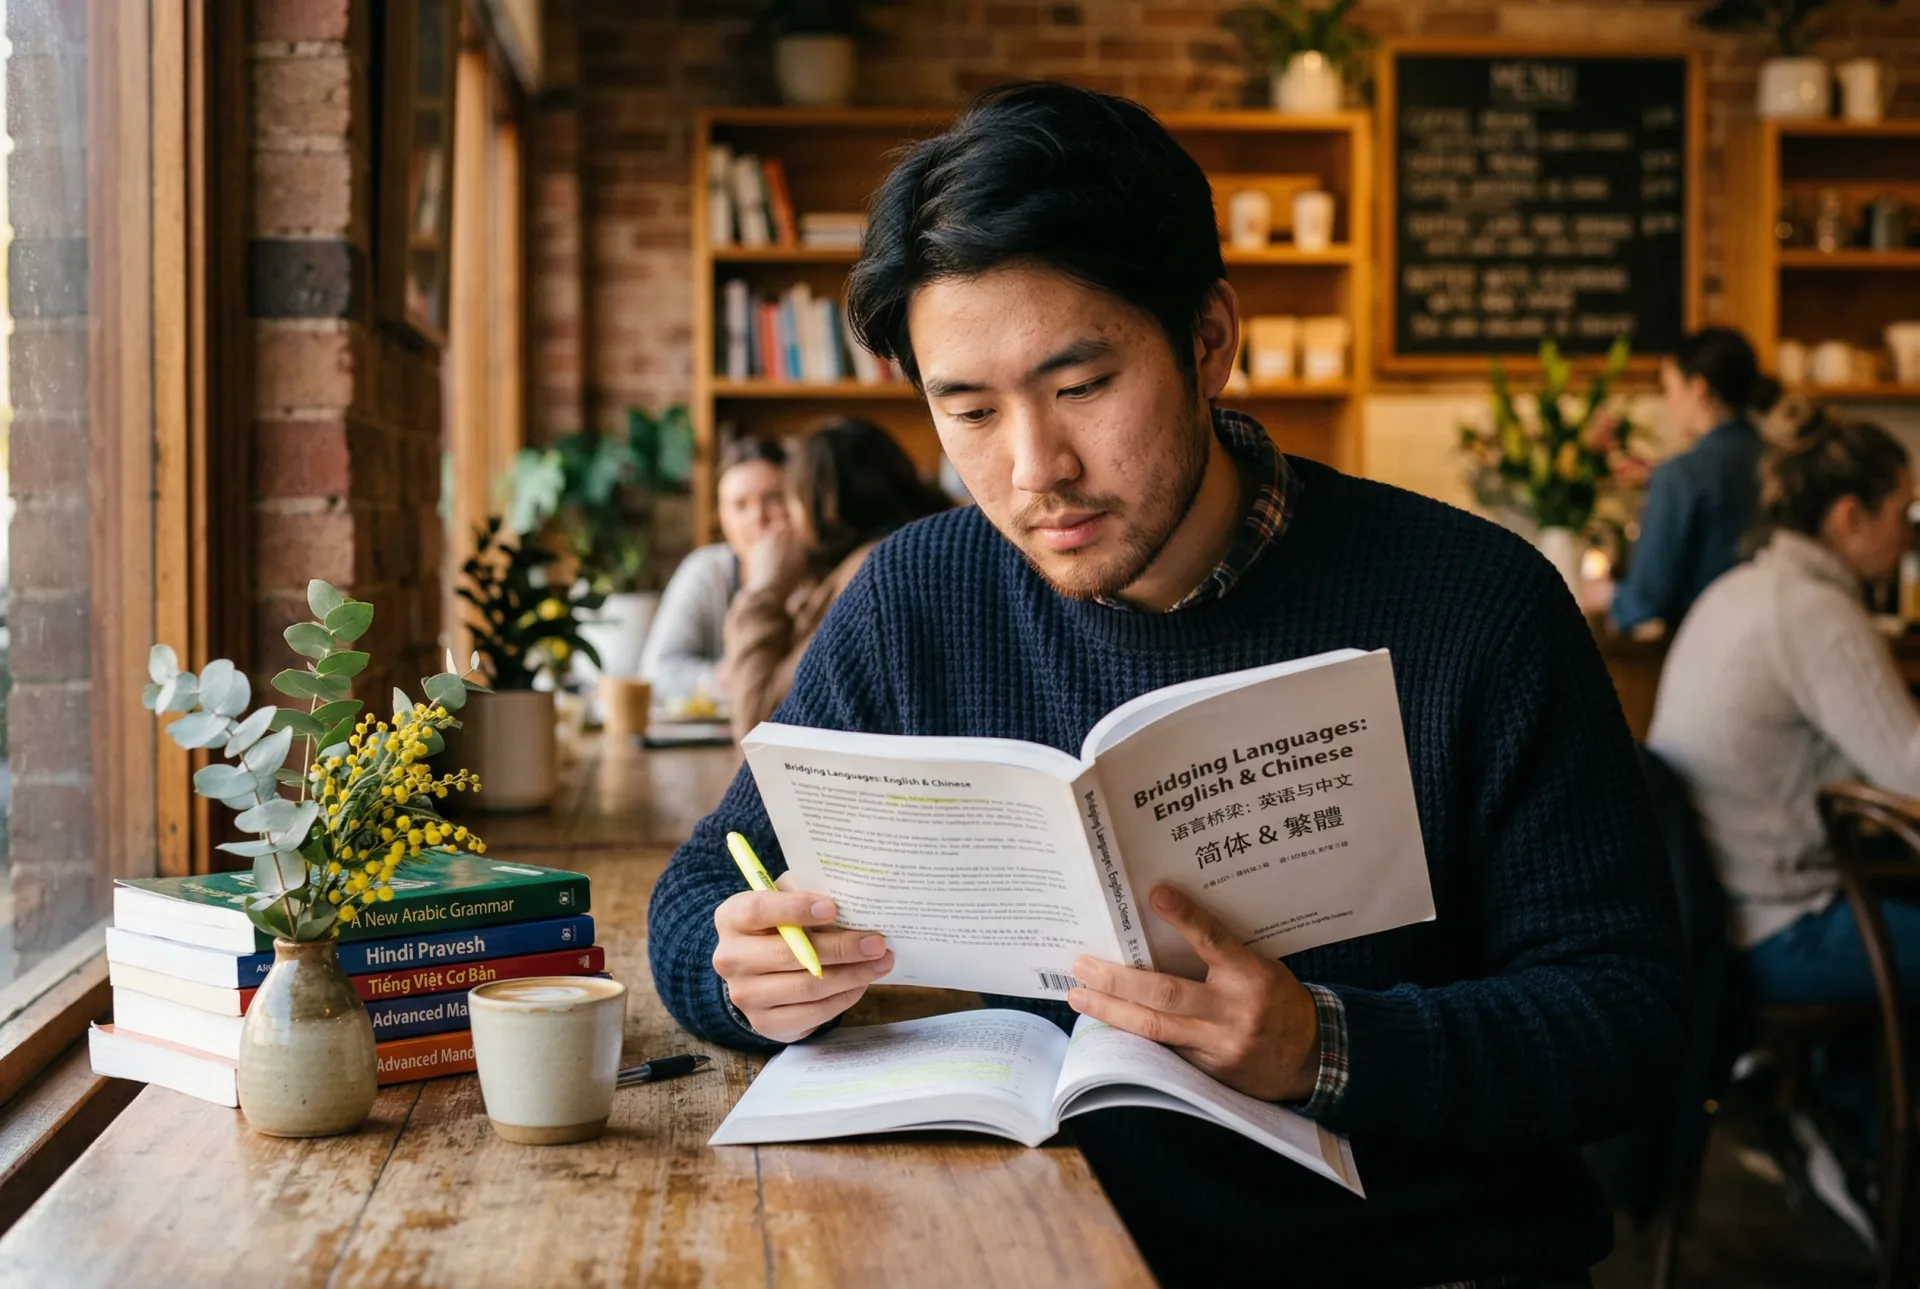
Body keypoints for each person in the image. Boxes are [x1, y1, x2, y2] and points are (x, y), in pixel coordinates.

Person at [649, 84, 1683, 1288]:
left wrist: (1327, 1046)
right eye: (968, 410)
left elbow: (1633, 1019)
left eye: (1081, 387)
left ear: (1208, 339)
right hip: (1037, 1246)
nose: (1036, 469)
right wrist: (746, 977)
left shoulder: (1473, 602)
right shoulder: (918, 595)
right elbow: (701, 893)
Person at [1649, 411, 1920, 1004]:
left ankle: (1853, 1092)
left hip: (1718, 918)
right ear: (1851, 517)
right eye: (1904, 512)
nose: (1909, 533)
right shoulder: (1815, 613)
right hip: (1786, 928)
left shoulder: (1736, 588)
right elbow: (1912, 775)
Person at [721, 417, 949, 740]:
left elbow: (759, 725)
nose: (784, 514)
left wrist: (763, 590)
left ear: (824, 502)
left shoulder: (866, 578)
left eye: (786, 496)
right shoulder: (893, 556)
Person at [1605, 327, 1772, 637]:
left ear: (1698, 389)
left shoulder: (1683, 475)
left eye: (1669, 390)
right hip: (1779, 639)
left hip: (1708, 647)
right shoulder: (1779, 459)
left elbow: (1645, 601)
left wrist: (1608, 598)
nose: (1669, 404)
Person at [636, 437, 786, 705]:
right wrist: (722, 677)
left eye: (773, 498)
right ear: (722, 517)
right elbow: (657, 672)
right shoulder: (706, 571)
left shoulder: (820, 579)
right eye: (740, 505)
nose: (758, 517)